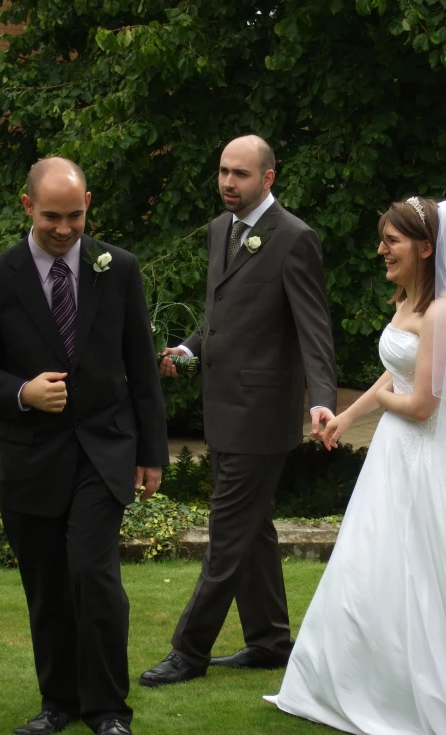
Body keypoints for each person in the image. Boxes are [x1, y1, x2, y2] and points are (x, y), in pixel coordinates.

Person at [264, 197, 446, 733]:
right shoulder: (407, 302)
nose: (380, 250)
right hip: (398, 455)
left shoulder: (445, 311)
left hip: (435, 457)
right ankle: (371, 680)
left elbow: (418, 403)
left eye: (392, 241)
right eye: (382, 239)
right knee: (376, 566)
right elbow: (395, 375)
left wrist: (383, 407)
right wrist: (345, 416)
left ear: (426, 248)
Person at [0, 157, 168, 735]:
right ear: (26, 205)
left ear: (88, 204)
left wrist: (152, 452)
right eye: (52, 217)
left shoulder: (120, 268)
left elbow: (141, 364)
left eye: (76, 216)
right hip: (32, 455)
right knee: (48, 585)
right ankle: (58, 703)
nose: (64, 229)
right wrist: (20, 392)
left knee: (93, 573)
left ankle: (108, 710)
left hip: (104, 449)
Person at [139, 134, 337, 687]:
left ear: (268, 178)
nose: (228, 182)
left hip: (263, 413)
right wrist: (189, 350)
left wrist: (322, 400)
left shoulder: (295, 238)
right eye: (223, 171)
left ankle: (189, 651)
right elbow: (220, 314)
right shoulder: (220, 230)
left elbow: (313, 330)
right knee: (252, 532)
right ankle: (271, 640)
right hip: (223, 407)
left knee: (226, 534)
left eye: (241, 174)